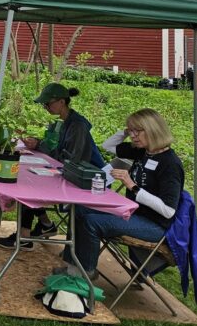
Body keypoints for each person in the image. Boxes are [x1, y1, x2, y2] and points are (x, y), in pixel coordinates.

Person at [58, 108, 184, 279]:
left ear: (153, 129)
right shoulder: (143, 151)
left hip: (155, 225)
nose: (133, 136)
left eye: (137, 131)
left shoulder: (170, 164)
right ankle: (72, 266)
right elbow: (107, 145)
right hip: (132, 212)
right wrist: (126, 131)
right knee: (79, 208)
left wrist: (133, 187)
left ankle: (85, 273)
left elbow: (169, 210)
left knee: (91, 221)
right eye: (130, 131)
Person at [0, 82, 103, 250]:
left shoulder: (78, 126)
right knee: (29, 182)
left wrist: (42, 147)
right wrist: (37, 143)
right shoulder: (62, 121)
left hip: (86, 180)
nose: (46, 107)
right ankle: (44, 225)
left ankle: (25, 236)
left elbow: (72, 159)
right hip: (68, 171)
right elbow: (57, 149)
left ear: (62, 102)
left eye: (48, 103)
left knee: (29, 187)